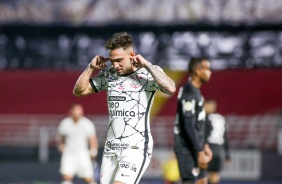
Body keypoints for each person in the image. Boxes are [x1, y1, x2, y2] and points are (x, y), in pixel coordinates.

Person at [73, 32, 176, 184]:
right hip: (111, 148)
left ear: (132, 55)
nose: (115, 65)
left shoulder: (147, 73)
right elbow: (79, 91)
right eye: (113, 61)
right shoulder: (109, 74)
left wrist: (146, 64)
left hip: (135, 147)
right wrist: (91, 67)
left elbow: (171, 88)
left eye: (119, 60)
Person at [173, 57, 213, 184]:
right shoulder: (188, 92)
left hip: (196, 146)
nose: (210, 72)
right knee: (190, 181)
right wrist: (199, 151)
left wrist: (204, 144)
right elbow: (189, 125)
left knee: (202, 180)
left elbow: (198, 123)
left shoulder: (196, 92)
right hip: (187, 148)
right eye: (207, 69)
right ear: (197, 71)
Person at [57, 104, 99, 184]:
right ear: (71, 112)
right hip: (69, 153)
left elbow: (92, 139)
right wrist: (61, 145)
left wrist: (94, 149)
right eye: (76, 110)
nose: (78, 113)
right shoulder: (65, 123)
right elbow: (61, 138)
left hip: (83, 153)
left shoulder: (87, 124)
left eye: (80, 111)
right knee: (66, 177)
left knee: (88, 178)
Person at [204, 99, 231, 184]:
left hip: (208, 148)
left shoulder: (206, 118)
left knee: (204, 174)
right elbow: (226, 137)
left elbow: (204, 134)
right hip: (219, 150)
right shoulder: (221, 118)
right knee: (215, 174)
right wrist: (227, 155)